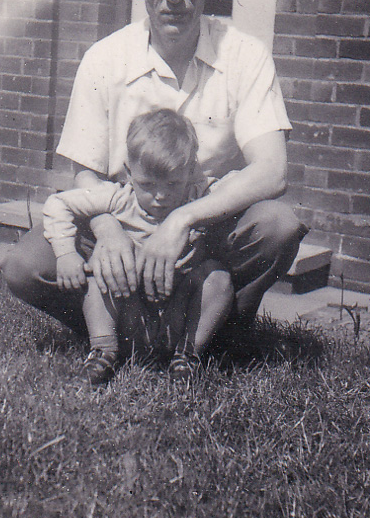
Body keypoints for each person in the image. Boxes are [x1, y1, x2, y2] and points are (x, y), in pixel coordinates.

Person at [3, 0, 308, 346]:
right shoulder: (105, 59)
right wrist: (109, 234)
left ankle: (213, 337)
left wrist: (183, 220)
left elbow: (272, 171)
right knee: (27, 265)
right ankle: (121, 331)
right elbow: (84, 172)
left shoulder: (245, 55)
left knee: (277, 225)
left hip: (207, 230)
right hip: (124, 219)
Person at [42, 108, 234, 385]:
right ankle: (103, 351)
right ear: (129, 172)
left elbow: (237, 186)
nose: (160, 196)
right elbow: (58, 203)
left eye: (172, 183)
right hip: (127, 308)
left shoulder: (199, 196)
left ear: (191, 171)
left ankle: (187, 356)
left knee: (218, 278)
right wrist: (66, 253)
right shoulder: (119, 198)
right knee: (96, 274)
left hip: (177, 311)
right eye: (147, 184)